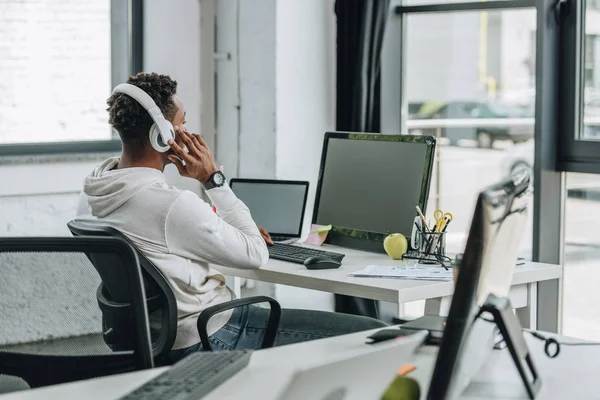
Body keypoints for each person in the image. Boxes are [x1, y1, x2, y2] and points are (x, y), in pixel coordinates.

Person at [76, 72, 387, 362]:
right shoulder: (171, 204)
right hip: (208, 334)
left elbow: (168, 240)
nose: (188, 132)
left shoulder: (95, 192)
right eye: (182, 123)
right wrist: (212, 179)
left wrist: (228, 230)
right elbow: (254, 253)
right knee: (374, 333)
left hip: (153, 337)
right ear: (162, 135)